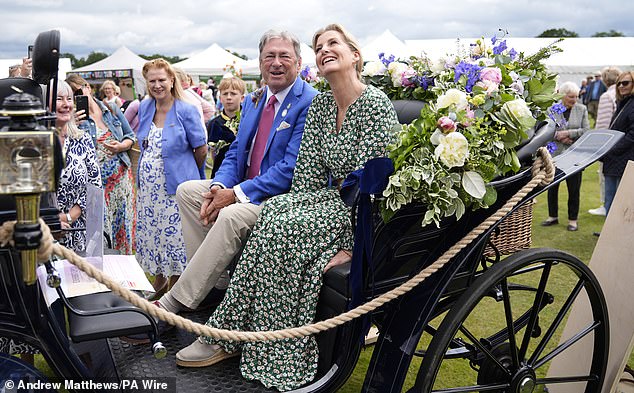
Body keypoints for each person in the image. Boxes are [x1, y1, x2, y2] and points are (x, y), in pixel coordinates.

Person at [175, 23, 399, 391]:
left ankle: (233, 335)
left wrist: (352, 247)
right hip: (322, 199)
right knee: (275, 214)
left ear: (354, 55)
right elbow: (307, 175)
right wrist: (283, 204)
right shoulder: (324, 105)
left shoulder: (374, 104)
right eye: (319, 45)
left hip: (357, 209)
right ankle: (238, 328)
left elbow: (373, 186)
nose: (324, 49)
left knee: (280, 226)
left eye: (333, 43)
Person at [148, 29, 318, 327]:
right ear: (260, 61)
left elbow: (290, 168)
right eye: (269, 56)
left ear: (299, 61)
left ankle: (175, 301)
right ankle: (217, 285)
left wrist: (236, 194)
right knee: (189, 191)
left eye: (284, 56)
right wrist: (218, 185)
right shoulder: (254, 100)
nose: (276, 63)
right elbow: (238, 151)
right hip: (245, 187)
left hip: (281, 200)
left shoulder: (310, 101)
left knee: (232, 215)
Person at [135, 58, 208, 295]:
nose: (157, 85)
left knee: (175, 239)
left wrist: (190, 175)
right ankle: (158, 281)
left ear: (171, 80)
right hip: (149, 190)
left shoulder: (186, 109)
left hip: (175, 187)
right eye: (152, 81)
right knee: (154, 235)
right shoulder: (145, 107)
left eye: (161, 80)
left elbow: (201, 148)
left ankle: (175, 287)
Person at [66, 73, 136, 254]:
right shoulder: (74, 118)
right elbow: (68, 145)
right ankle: (104, 270)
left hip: (121, 181)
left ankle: (122, 271)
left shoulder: (110, 108)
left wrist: (121, 146)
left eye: (78, 91)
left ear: (88, 87)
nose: (76, 96)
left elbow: (130, 136)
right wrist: (70, 124)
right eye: (72, 94)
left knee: (122, 226)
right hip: (96, 184)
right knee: (101, 230)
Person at [54, 81, 102, 251]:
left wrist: (70, 216)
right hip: (43, 233)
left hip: (78, 230)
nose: (66, 104)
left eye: (69, 99)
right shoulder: (34, 142)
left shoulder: (82, 139)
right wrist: (52, 220)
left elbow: (95, 185)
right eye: (59, 99)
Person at [541, 81, 589, 231]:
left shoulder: (582, 109)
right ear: (562, 96)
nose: (574, 100)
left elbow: (586, 130)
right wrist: (558, 135)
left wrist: (568, 134)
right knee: (552, 187)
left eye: (576, 97)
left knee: (574, 189)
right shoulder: (552, 109)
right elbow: (545, 129)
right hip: (555, 156)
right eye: (570, 97)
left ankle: (572, 220)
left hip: (575, 156)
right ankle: (552, 216)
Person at [588, 66, 622, 217]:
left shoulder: (607, 96)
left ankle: (605, 206)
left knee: (605, 176)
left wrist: (598, 145)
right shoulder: (621, 94)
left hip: (610, 143)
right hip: (623, 142)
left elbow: (603, 124)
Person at [601, 71, 634, 214]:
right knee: (610, 198)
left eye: (625, 83)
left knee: (622, 201)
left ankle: (617, 235)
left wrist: (612, 148)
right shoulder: (622, 103)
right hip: (613, 160)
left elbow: (632, 135)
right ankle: (608, 235)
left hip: (625, 160)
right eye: (619, 83)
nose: (621, 86)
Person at [206, 76, 246, 176]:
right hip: (220, 172)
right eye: (225, 94)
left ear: (242, 98)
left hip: (243, 174)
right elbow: (213, 153)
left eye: (233, 94)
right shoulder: (214, 123)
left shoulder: (248, 120)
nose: (229, 97)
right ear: (220, 98)